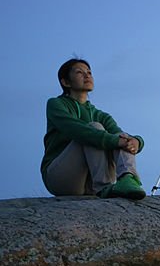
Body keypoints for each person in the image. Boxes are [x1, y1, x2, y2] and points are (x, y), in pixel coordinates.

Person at [41, 58, 147, 199]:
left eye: (89, 72)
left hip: (89, 183)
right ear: (65, 82)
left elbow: (120, 136)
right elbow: (76, 130)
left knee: (121, 135)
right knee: (94, 128)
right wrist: (115, 141)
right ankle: (104, 187)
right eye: (80, 72)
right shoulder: (56, 104)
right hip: (60, 178)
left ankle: (128, 178)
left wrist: (136, 141)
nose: (87, 75)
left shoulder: (100, 115)